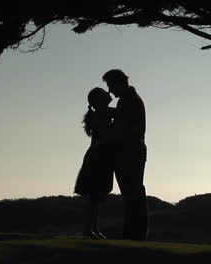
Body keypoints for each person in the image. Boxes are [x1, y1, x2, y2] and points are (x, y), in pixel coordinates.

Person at [102, 69, 148, 240]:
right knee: (133, 193)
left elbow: (125, 126)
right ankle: (134, 233)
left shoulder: (128, 101)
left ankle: (134, 234)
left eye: (110, 86)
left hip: (129, 152)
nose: (109, 91)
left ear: (117, 83)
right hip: (134, 151)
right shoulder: (130, 100)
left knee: (132, 193)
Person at [74, 87, 114, 239]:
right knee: (94, 196)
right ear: (99, 100)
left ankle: (93, 228)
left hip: (99, 156)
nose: (108, 93)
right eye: (105, 93)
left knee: (97, 197)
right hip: (98, 157)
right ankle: (88, 230)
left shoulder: (101, 113)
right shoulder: (102, 114)